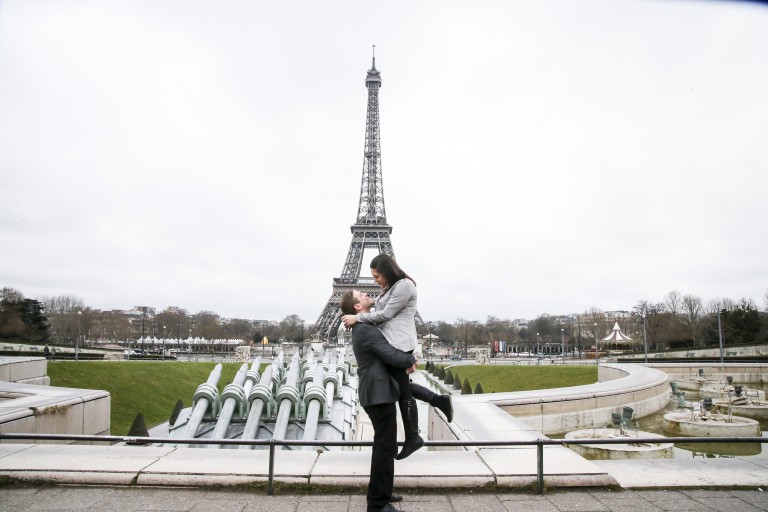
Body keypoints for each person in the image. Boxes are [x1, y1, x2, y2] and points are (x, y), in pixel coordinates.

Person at [342, 254, 452, 459]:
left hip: (399, 343)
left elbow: (385, 315)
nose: (375, 281)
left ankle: (415, 435)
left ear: (386, 271)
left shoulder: (404, 286)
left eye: (377, 276)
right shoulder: (390, 288)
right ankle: (434, 405)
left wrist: (357, 317)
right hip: (394, 343)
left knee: (402, 391)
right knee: (401, 387)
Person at [341, 290, 416, 512]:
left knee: (386, 445)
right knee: (385, 447)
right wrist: (410, 358)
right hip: (377, 393)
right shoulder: (364, 329)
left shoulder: (364, 326)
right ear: (357, 307)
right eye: (362, 294)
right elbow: (391, 355)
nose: (366, 293)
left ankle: (382, 492)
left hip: (378, 391)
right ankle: (376, 503)